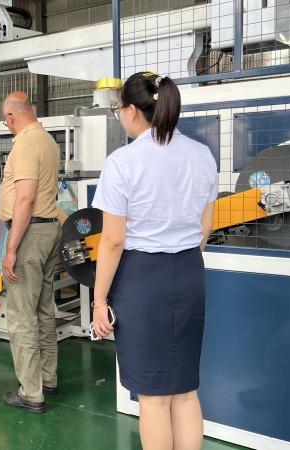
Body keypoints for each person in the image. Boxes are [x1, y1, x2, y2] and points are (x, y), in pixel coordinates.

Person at [91, 72, 217, 450]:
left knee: (153, 397)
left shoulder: (123, 162)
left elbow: (113, 240)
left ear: (131, 111)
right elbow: (204, 229)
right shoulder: (201, 155)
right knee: (184, 391)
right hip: (189, 274)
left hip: (143, 280)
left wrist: (99, 301)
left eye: (117, 109)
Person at [0, 91, 62, 413]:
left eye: (5, 120)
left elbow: (25, 199)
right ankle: (48, 378)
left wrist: (11, 250)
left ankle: (32, 393)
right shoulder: (48, 140)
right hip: (50, 229)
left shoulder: (24, 144)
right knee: (43, 309)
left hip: (31, 234)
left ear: (11, 117)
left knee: (22, 315)